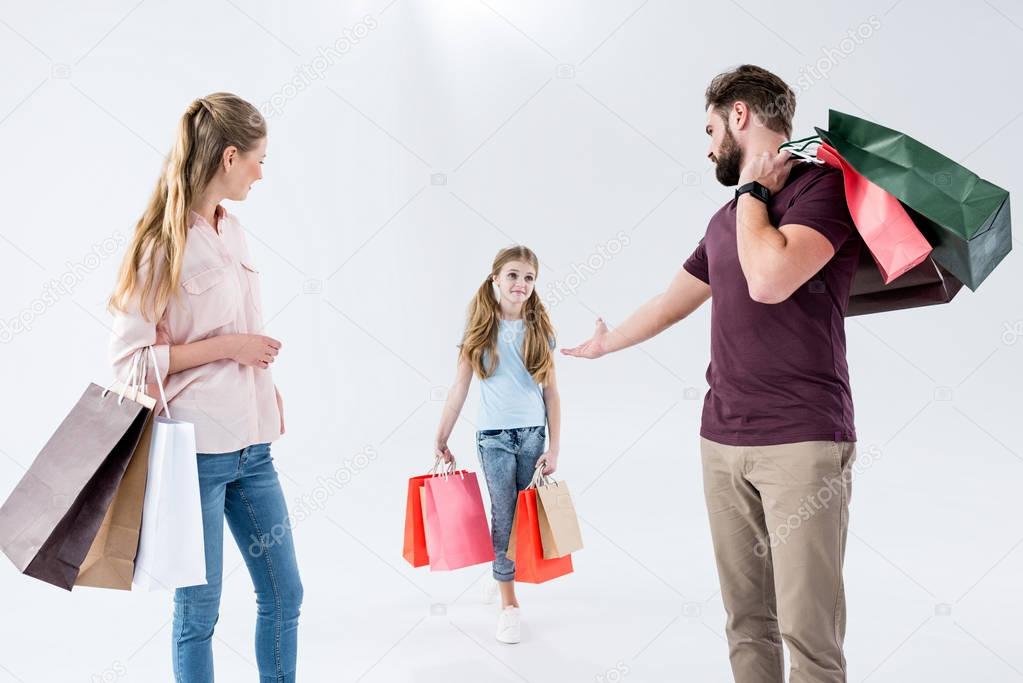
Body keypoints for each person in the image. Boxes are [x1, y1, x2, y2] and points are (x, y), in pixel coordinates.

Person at [563, 64, 862, 683]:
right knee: (746, 623)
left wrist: (753, 194)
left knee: (808, 634)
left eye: (709, 129)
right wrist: (607, 342)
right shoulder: (725, 221)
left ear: (740, 116)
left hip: (802, 441)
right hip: (722, 441)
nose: (706, 148)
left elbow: (769, 278)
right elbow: (671, 300)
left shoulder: (822, 191)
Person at [107, 93, 303, 683]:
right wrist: (228, 348)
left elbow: (244, 329)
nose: (262, 174)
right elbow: (129, 367)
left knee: (285, 595)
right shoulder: (158, 247)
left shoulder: (235, 232)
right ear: (229, 156)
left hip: (254, 447)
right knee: (199, 610)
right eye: (258, 160)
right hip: (196, 457)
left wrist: (265, 386)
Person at [433, 245, 562, 645]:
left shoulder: (541, 330)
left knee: (525, 519)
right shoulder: (479, 331)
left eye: (528, 277)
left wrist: (554, 448)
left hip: (532, 437)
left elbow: (552, 395)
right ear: (495, 279)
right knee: (503, 516)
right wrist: (441, 436)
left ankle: (499, 573)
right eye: (512, 275)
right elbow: (459, 388)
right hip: (494, 440)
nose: (520, 284)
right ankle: (509, 604)